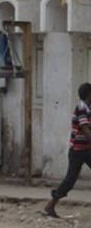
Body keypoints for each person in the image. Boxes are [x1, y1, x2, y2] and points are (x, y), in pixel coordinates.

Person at [43, 82, 91, 218]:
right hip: (78, 150)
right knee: (70, 180)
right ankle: (50, 205)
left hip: (86, 149)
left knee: (70, 179)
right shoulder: (81, 108)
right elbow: (85, 129)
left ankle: (50, 205)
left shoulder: (88, 108)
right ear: (89, 94)